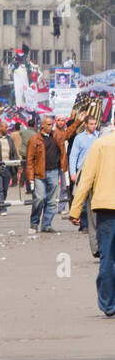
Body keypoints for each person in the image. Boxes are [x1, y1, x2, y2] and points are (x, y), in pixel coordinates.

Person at [68, 131, 115, 316]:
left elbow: (86, 179)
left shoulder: (100, 144)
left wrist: (75, 209)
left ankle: (108, 304)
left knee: (107, 256)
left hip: (105, 207)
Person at [26, 115, 70, 233]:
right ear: (43, 125)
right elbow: (29, 159)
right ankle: (34, 223)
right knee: (39, 198)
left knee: (51, 201)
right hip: (39, 174)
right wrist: (30, 176)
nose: (51, 127)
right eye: (49, 125)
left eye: (52, 124)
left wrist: (78, 120)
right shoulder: (34, 139)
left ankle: (46, 225)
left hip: (54, 172)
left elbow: (68, 133)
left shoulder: (56, 136)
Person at [68, 114, 99, 233]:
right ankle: (84, 225)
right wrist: (73, 173)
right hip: (83, 170)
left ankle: (94, 225)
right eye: (91, 124)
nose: (93, 126)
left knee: (94, 199)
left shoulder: (99, 137)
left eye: (94, 124)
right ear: (85, 125)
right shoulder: (79, 138)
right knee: (82, 197)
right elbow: (73, 156)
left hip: (96, 171)